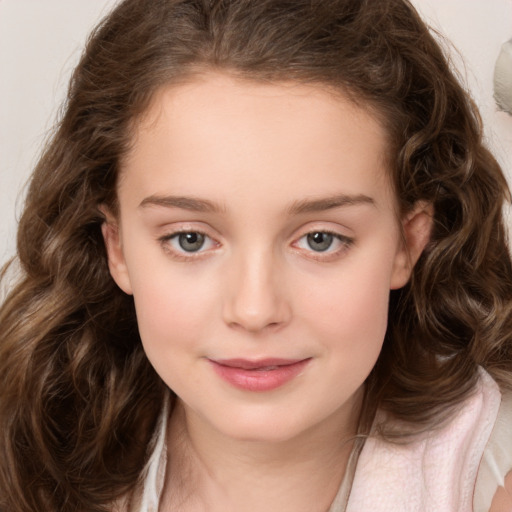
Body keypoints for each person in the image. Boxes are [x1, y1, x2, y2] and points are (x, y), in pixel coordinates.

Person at [0, 0, 511, 510]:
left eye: (320, 239)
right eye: (190, 239)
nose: (254, 309)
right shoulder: (29, 462)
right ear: (117, 248)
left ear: (407, 243)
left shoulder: (493, 473)